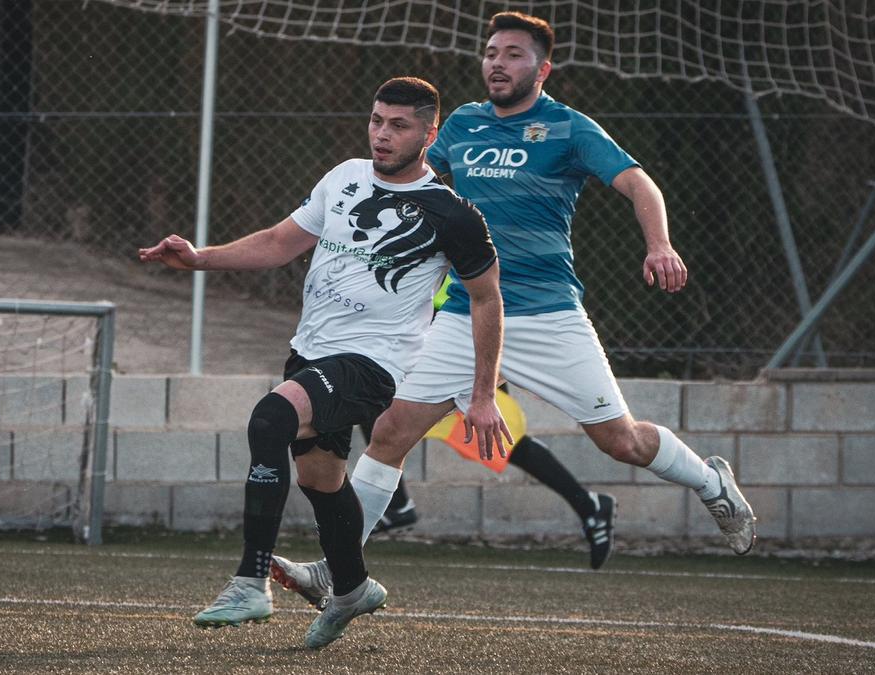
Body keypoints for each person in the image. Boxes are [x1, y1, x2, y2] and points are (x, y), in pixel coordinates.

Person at [272, 11, 758, 616]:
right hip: (462, 312)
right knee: (392, 432)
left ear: (542, 68)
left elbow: (641, 186)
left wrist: (659, 243)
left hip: (549, 313)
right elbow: (409, 182)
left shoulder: (569, 128)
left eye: (514, 55)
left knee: (621, 442)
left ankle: (713, 484)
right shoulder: (463, 125)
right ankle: (337, 570)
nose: (498, 63)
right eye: (492, 52)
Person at [139, 76, 507, 649]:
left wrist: (481, 395)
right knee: (321, 479)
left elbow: (487, 298)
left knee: (270, 418)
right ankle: (353, 587)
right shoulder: (343, 176)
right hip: (310, 351)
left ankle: (249, 579)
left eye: (399, 126)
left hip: (375, 363)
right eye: (377, 121)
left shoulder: (453, 214)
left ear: (429, 133)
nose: (383, 135)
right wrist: (199, 259)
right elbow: (281, 241)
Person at [365, 276, 618, 571]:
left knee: (502, 438)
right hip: (452, 322)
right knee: (379, 406)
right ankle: (397, 504)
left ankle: (589, 505)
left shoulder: (475, 234)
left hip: (467, 325)